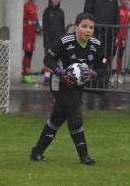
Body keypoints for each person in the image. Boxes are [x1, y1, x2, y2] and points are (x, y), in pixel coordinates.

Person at [30, 12, 107, 165]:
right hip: (59, 83)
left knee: (57, 119)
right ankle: (84, 157)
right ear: (76, 27)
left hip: (77, 86)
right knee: (75, 116)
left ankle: (37, 152)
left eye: (91, 27)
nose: (88, 30)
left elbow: (103, 68)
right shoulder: (64, 42)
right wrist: (60, 72)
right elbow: (48, 59)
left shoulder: (96, 45)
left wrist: (93, 74)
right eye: (84, 26)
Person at [84, 0, 119, 82]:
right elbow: (86, 13)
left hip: (110, 31)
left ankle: (104, 79)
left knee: (107, 55)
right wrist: (88, 28)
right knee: (93, 54)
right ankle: (90, 78)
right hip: (96, 32)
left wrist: (117, 28)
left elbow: (116, 12)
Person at [42, 0, 65, 86]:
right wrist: (46, 43)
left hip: (59, 41)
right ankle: (47, 78)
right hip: (49, 41)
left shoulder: (61, 12)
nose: (56, 0)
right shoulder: (47, 12)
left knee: (58, 60)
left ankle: (56, 77)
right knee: (48, 59)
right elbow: (45, 28)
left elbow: (62, 27)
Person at [22, 0, 41, 84]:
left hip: (32, 34)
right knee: (27, 54)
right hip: (26, 35)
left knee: (30, 54)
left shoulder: (35, 7)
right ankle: (25, 75)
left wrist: (38, 29)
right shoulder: (26, 6)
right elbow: (23, 20)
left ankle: (27, 74)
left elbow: (36, 20)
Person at [111, 0, 130, 84]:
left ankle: (118, 74)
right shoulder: (117, 9)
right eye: (125, 0)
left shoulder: (129, 11)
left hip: (124, 36)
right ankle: (109, 74)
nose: (126, 2)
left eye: (128, 0)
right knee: (112, 54)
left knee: (121, 55)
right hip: (116, 35)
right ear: (120, 0)